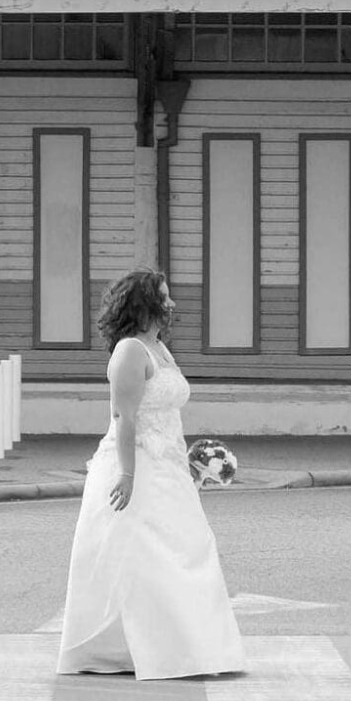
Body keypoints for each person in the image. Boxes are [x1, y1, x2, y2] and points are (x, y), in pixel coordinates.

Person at [57, 268, 243, 680]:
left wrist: (189, 462)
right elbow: (125, 417)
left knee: (185, 551)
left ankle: (189, 649)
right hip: (135, 463)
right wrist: (127, 475)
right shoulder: (129, 352)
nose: (172, 303)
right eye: (164, 295)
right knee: (144, 559)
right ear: (145, 303)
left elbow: (168, 414)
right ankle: (138, 651)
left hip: (168, 465)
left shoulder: (158, 348)